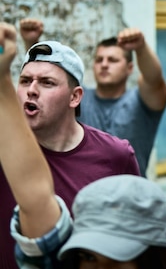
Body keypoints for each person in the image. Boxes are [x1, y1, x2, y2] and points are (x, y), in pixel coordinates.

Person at [0, 22, 141, 268]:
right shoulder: (5, 150)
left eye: (46, 83)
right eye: (24, 81)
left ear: (74, 97)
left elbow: (136, 237)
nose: (31, 91)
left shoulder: (116, 154)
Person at [19, 19, 166, 176]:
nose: (104, 65)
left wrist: (141, 47)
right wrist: (32, 43)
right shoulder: (79, 98)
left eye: (112, 60)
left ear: (130, 68)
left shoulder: (141, 101)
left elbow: (154, 80)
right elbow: (46, 80)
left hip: (127, 195)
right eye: (99, 60)